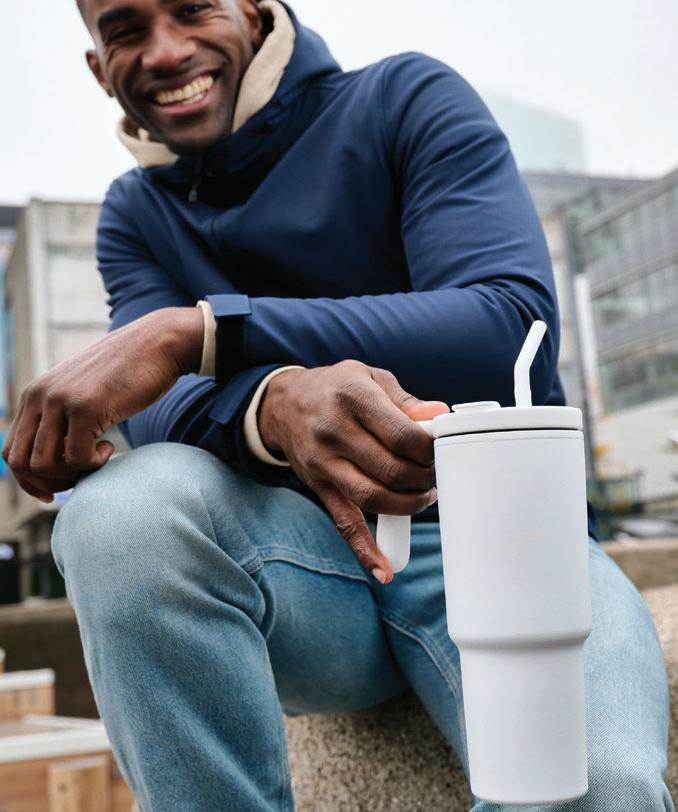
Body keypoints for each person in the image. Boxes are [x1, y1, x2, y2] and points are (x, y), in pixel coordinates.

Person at [3, 0, 673, 809]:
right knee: (119, 514)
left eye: (193, 8)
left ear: (253, 11)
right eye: (126, 31)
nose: (166, 51)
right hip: (298, 576)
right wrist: (273, 403)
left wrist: (203, 332)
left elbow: (507, 323)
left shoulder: (403, 99)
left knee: (602, 785)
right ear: (97, 67)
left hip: (499, 543)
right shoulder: (136, 213)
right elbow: (154, 405)